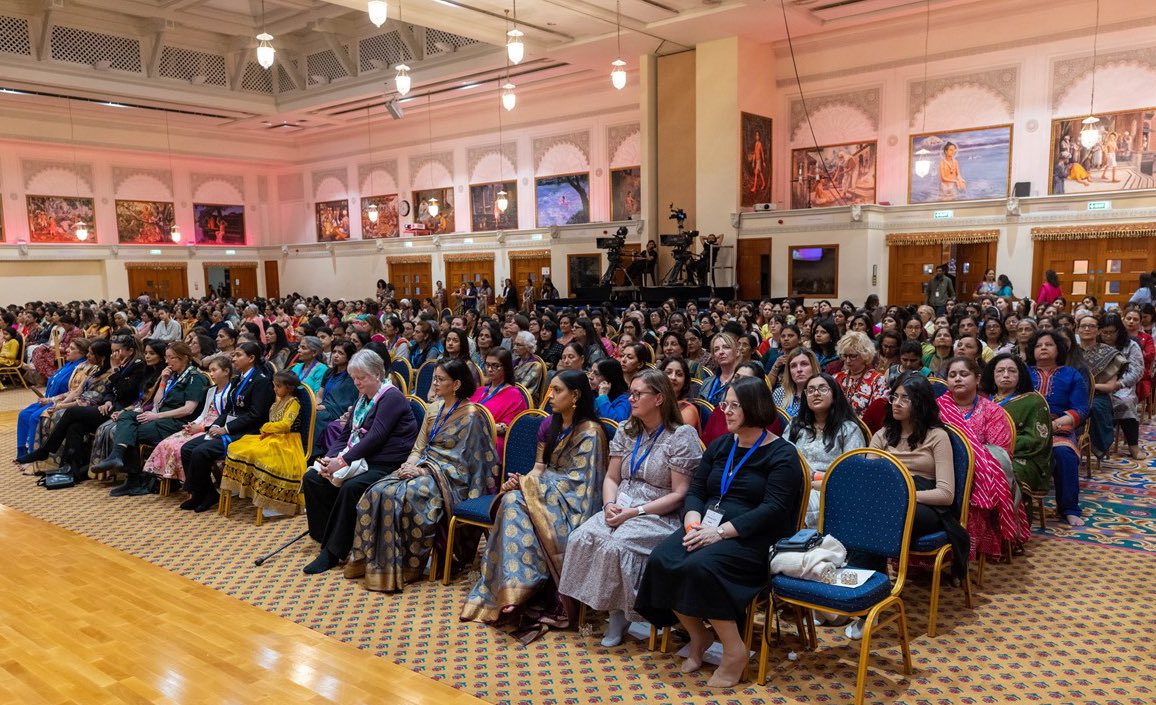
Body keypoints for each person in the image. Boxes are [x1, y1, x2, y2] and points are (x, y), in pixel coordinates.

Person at [635, 377, 802, 687]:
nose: (725, 411)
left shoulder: (782, 454)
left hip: (753, 537)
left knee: (701, 568)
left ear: (755, 407)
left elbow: (774, 509)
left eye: (734, 405)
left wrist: (721, 533)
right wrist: (692, 522)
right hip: (706, 526)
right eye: (725, 404)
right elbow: (697, 489)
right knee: (661, 559)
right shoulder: (722, 445)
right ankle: (699, 636)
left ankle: (734, 650)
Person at [559, 369, 702, 647]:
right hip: (622, 503)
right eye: (631, 393)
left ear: (659, 398)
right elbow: (612, 478)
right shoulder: (627, 429)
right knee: (583, 536)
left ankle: (622, 614)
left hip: (659, 512)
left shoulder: (680, 435)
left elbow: (680, 494)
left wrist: (635, 512)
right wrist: (610, 504)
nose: (632, 399)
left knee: (618, 546)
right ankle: (604, 606)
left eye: (638, 394)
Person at [461, 370, 608, 638]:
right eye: (550, 389)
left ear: (575, 395)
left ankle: (520, 589)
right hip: (546, 493)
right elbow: (539, 470)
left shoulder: (592, 433)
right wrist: (520, 482)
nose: (549, 396)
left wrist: (528, 488)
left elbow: (581, 486)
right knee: (511, 500)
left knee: (516, 501)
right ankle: (514, 589)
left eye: (557, 390)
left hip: (572, 505)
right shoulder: (550, 425)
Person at [350, 358, 498, 591]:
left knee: (402, 496)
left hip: (450, 480)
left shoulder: (471, 415)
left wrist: (421, 470)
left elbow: (465, 463)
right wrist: (408, 466)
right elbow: (419, 447)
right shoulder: (434, 409)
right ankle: (369, 563)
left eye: (441, 379)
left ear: (457, 384)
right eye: (435, 378)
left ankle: (410, 566)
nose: (435, 383)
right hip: (423, 467)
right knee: (378, 490)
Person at [302, 350, 418, 574]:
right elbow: (346, 434)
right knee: (313, 478)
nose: (356, 382)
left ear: (376, 374)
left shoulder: (391, 396)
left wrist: (343, 461)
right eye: (353, 377)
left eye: (360, 377)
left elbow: (376, 437)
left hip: (385, 462)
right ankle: (325, 536)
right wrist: (331, 459)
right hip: (362, 459)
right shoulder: (364, 397)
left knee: (351, 487)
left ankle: (333, 552)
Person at [937, 357, 1030, 559]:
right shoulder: (936, 409)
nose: (958, 379)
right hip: (938, 470)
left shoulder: (993, 411)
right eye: (952, 375)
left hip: (979, 474)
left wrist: (967, 463)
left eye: (964, 374)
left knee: (977, 487)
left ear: (977, 379)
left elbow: (998, 453)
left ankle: (963, 555)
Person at [93, 342, 210, 496]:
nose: (167, 361)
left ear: (184, 358)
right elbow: (157, 403)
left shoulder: (196, 377)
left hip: (178, 423)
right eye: (166, 357)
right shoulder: (173, 376)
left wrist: (156, 416)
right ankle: (120, 458)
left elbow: (188, 409)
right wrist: (163, 381)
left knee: (130, 432)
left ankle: (131, 475)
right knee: (126, 416)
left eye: (171, 358)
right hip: (161, 418)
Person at [179, 342, 274, 513]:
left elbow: (256, 415)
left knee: (201, 452)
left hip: (248, 432)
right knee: (187, 449)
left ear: (251, 358)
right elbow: (229, 409)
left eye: (238, 355)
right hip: (230, 426)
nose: (234, 358)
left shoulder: (261, 381)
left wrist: (226, 429)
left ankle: (203, 494)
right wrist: (215, 425)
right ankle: (205, 493)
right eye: (234, 354)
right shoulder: (238, 379)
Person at [1026, 331, 1089, 527]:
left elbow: (1081, 408)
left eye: (1049, 344)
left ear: (1059, 349)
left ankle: (1069, 508)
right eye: (1038, 345)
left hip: (1058, 427)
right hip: (1025, 427)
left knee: (1064, 454)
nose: (1043, 348)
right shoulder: (1023, 373)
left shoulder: (1071, 374)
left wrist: (1055, 424)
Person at [788, 372, 867, 528]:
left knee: (796, 501)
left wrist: (812, 482)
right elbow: (782, 458)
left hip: (831, 491)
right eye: (810, 390)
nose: (816, 393)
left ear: (834, 394)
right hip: (794, 483)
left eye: (822, 388)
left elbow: (852, 476)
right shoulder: (795, 425)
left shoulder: (848, 429)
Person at [141, 353, 233, 485]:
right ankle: (166, 480)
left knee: (182, 447)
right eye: (210, 370)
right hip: (202, 422)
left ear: (226, 372)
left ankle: (191, 483)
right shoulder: (211, 390)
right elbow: (203, 413)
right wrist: (192, 424)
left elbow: (225, 416)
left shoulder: (232, 391)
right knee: (168, 443)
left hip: (215, 426)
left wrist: (201, 428)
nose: (211, 374)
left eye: (214, 370)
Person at [981, 354, 1054, 509]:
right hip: (983, 452)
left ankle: (1012, 522)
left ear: (1020, 375)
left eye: (1012, 371)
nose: (1006, 375)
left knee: (1003, 471)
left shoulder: (1034, 401)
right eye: (1000, 371)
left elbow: (1036, 439)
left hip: (1023, 456)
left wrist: (999, 447)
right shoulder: (984, 401)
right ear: (992, 375)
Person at [14, 338, 90, 459]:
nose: (67, 351)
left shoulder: (80, 367)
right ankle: (22, 451)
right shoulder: (69, 364)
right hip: (49, 399)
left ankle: (33, 454)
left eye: (72, 349)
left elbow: (73, 391)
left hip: (61, 401)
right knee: (23, 414)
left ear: (81, 353)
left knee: (34, 417)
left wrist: (52, 400)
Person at [1099, 314, 1144, 459]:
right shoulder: (1096, 344)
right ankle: (1099, 444)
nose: (1107, 336)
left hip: (1121, 387)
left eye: (1111, 332)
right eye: (1104, 332)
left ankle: (1133, 446)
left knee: (1126, 402)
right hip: (1098, 387)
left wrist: (1117, 384)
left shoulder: (1130, 345)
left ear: (1119, 330)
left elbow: (1136, 372)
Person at [1075, 314, 1120, 457]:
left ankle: (1097, 445)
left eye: (1092, 326)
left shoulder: (1109, 353)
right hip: (1072, 394)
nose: (1087, 329)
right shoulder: (1070, 352)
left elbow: (1110, 387)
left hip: (1097, 396)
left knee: (1093, 408)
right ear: (1077, 330)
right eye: (1083, 326)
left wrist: (1088, 387)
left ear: (1098, 330)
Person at [470, 348, 529, 460]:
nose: (490, 369)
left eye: (495, 366)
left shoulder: (514, 395)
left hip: (493, 439)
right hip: (470, 433)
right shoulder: (480, 391)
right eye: (487, 365)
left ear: (506, 368)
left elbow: (509, 427)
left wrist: (478, 427)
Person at [312, 341, 359, 454]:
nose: (336, 355)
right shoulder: (329, 372)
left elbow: (346, 401)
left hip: (338, 410)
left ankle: (316, 452)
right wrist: (318, 405)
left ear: (349, 356)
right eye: (334, 352)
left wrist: (325, 407)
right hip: (325, 406)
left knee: (318, 417)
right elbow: (319, 395)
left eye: (341, 353)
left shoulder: (351, 376)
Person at [834, 331, 888, 424]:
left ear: (865, 355)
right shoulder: (836, 377)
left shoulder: (878, 380)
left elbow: (874, 413)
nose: (847, 360)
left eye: (853, 356)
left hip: (864, 429)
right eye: (845, 355)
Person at [772, 347, 820, 420]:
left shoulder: (822, 393)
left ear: (813, 367)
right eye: (793, 366)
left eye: (804, 364)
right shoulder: (780, 393)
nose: (799, 370)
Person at [661, 356, 701, 431]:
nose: (673, 377)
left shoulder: (688, 410)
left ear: (685, 382)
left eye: (679, 374)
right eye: (668, 372)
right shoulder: (652, 400)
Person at [699, 332, 739, 405]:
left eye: (726, 347)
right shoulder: (707, 382)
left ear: (736, 352)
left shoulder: (743, 381)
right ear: (713, 356)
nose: (721, 352)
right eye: (716, 349)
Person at [591, 358, 631, 422]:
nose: (590, 376)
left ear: (609, 379)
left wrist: (602, 397)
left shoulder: (624, 399)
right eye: (591, 371)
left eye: (596, 374)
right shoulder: (592, 392)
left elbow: (615, 424)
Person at [512, 330, 546, 404]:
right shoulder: (516, 361)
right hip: (511, 394)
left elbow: (522, 388)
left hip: (524, 401)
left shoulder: (536, 366)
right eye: (514, 344)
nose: (514, 347)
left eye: (518, 345)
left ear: (528, 347)